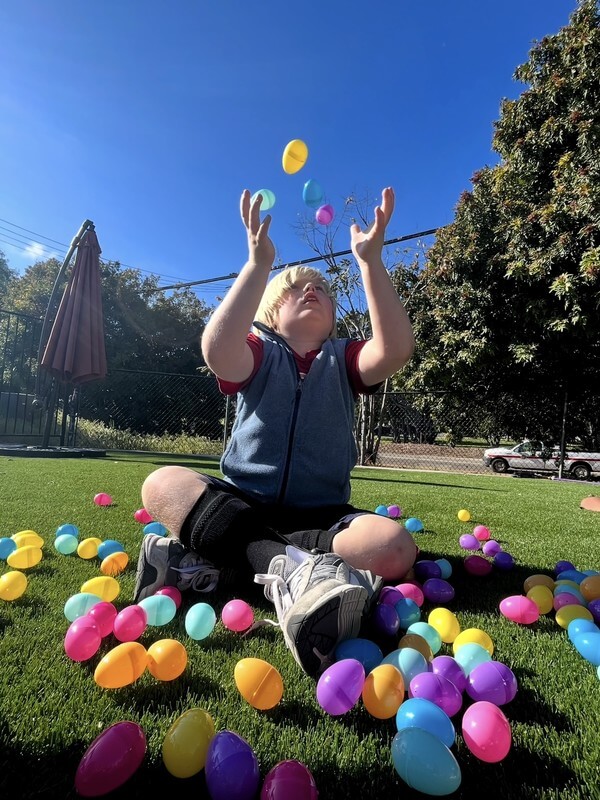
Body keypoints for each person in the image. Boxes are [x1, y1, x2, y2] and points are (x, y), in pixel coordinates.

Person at [134, 186, 417, 677]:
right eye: (292, 289)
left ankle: (205, 562)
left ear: (332, 320)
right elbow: (218, 350)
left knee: (395, 547)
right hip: (240, 504)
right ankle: (295, 572)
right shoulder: (259, 350)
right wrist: (258, 265)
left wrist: (370, 262)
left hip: (322, 517)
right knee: (161, 483)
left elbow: (393, 350)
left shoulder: (345, 359)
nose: (310, 291)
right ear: (269, 314)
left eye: (321, 290)